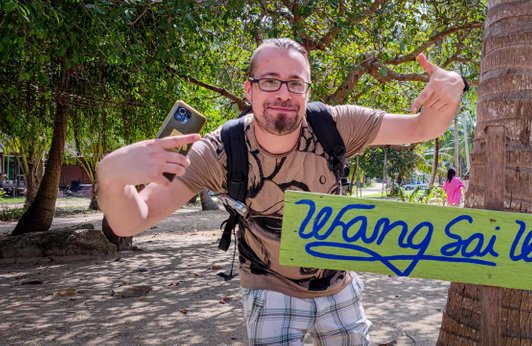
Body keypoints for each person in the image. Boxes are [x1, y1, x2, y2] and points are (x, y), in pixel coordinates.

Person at [96, 38, 466, 345]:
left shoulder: (337, 125)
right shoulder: (219, 152)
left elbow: (422, 127)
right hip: (268, 284)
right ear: (249, 88)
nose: (283, 93)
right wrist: (112, 180)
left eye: (295, 82)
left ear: (308, 90)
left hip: (339, 285)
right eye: (269, 81)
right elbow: (134, 220)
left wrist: (453, 90)